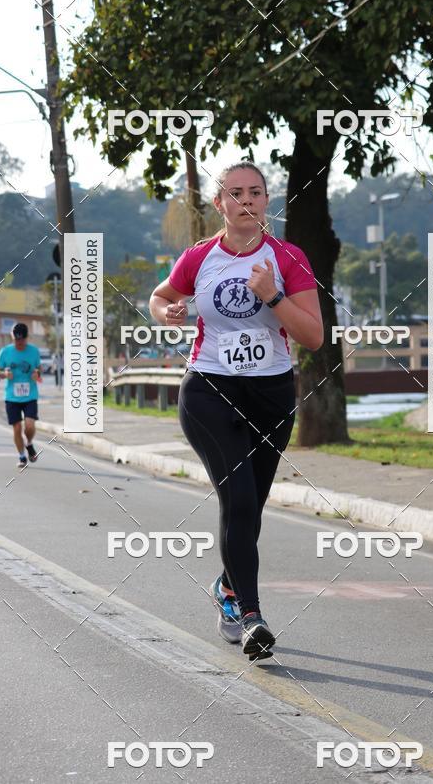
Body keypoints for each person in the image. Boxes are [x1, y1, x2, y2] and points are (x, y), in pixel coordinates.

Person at [149, 161, 323, 661]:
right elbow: (160, 299)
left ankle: (227, 585)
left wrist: (273, 296)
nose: (246, 201)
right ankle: (250, 615)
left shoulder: (287, 258)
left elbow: (312, 335)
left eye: (256, 192)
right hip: (209, 389)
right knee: (240, 500)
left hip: (270, 393)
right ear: (220, 204)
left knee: (252, 506)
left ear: (267, 201)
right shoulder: (200, 257)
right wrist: (170, 314)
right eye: (235, 193)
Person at [0, 323, 42, 468]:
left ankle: (29, 443)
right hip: (11, 397)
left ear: (27, 338)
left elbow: (38, 369)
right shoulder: (5, 352)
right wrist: (4, 374)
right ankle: (22, 457)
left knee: (29, 425)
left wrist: (37, 374)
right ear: (12, 337)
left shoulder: (34, 351)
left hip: (30, 395)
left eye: (21, 340)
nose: (19, 343)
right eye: (16, 340)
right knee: (17, 428)